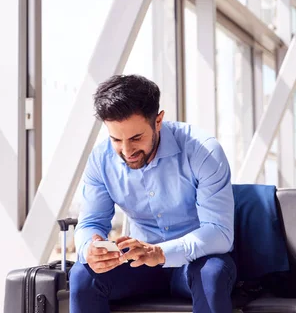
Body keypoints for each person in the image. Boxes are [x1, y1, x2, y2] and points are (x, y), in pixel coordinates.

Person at [69, 74, 236, 313]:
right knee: (83, 274)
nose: (127, 151)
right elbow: (91, 222)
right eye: (116, 139)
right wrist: (90, 248)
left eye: (136, 138)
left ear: (158, 121)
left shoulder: (202, 151)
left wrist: (159, 253)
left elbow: (220, 233)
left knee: (212, 273)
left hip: (196, 262)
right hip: (139, 265)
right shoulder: (101, 159)